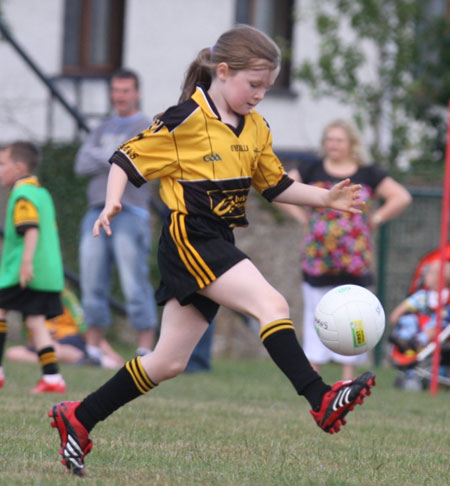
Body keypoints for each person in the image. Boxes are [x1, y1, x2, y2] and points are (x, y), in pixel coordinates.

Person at [49, 25, 376, 476]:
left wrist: (326, 199)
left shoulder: (256, 127)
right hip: (188, 236)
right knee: (272, 303)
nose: (260, 95)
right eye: (253, 84)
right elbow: (125, 158)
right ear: (222, 72)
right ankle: (320, 397)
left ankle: (78, 418)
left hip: (218, 240)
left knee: (168, 361)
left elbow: (275, 186)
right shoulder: (184, 120)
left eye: (267, 87)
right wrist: (111, 201)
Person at [277, 119, 412, 380]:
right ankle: (313, 376)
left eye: (339, 140)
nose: (333, 145)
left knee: (354, 314)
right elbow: (278, 188)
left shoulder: (367, 172)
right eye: (329, 139)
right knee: (316, 313)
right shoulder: (312, 168)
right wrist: (301, 217)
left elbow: (401, 196)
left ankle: (347, 378)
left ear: (351, 143)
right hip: (318, 257)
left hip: (354, 259)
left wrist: (376, 218)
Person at [75, 69, 158, 364]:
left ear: (136, 93)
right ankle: (94, 350)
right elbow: (81, 163)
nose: (119, 96)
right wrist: (119, 155)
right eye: (115, 90)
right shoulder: (103, 125)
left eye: (125, 90)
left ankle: (145, 351)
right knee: (92, 281)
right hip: (96, 211)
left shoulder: (147, 125)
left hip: (131, 213)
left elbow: (144, 166)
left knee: (134, 282)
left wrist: (108, 155)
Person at [0, 141, 66, 393]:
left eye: (2, 164)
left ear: (18, 167)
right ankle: (52, 379)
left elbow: (30, 229)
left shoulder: (23, 195)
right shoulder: (42, 193)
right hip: (48, 273)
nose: (0, 170)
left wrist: (26, 263)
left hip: (24, 271)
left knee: (1, 310)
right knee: (36, 321)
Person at [6, 287, 124, 369]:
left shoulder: (65, 295)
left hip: (70, 340)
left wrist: (111, 353)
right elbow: (31, 340)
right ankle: (72, 359)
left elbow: (86, 329)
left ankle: (95, 360)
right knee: (12, 353)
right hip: (46, 345)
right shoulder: (29, 300)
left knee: (52, 349)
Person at [389, 260, 450, 352]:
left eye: (430, 273)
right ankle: (403, 339)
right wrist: (395, 316)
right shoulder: (423, 296)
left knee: (438, 327)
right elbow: (402, 309)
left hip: (438, 330)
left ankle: (418, 341)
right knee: (409, 320)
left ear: (441, 278)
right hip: (418, 327)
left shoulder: (447, 298)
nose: (425, 276)